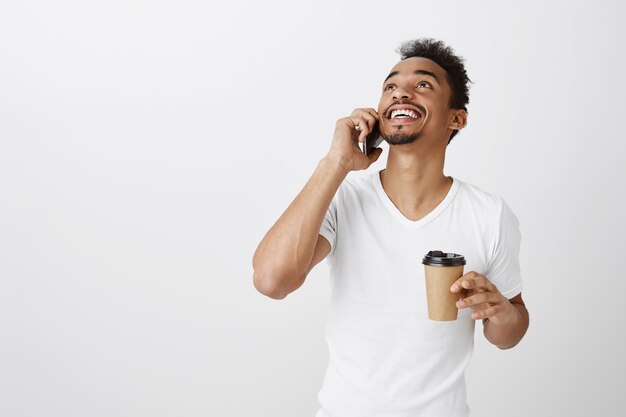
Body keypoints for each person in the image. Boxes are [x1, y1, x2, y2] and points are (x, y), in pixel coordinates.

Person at [252, 38, 530, 417]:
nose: (400, 92)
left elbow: (508, 334)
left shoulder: (488, 213)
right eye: (390, 86)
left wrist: (501, 312)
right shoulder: (343, 196)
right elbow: (272, 281)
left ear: (457, 118)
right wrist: (335, 162)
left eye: (423, 85)